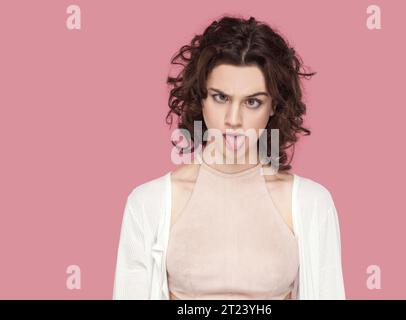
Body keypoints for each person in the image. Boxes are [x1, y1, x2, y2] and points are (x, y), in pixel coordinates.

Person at [113, 15, 345, 300]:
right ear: (201, 98)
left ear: (274, 105)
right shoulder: (148, 203)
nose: (233, 120)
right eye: (221, 97)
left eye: (252, 102)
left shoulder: (312, 204)